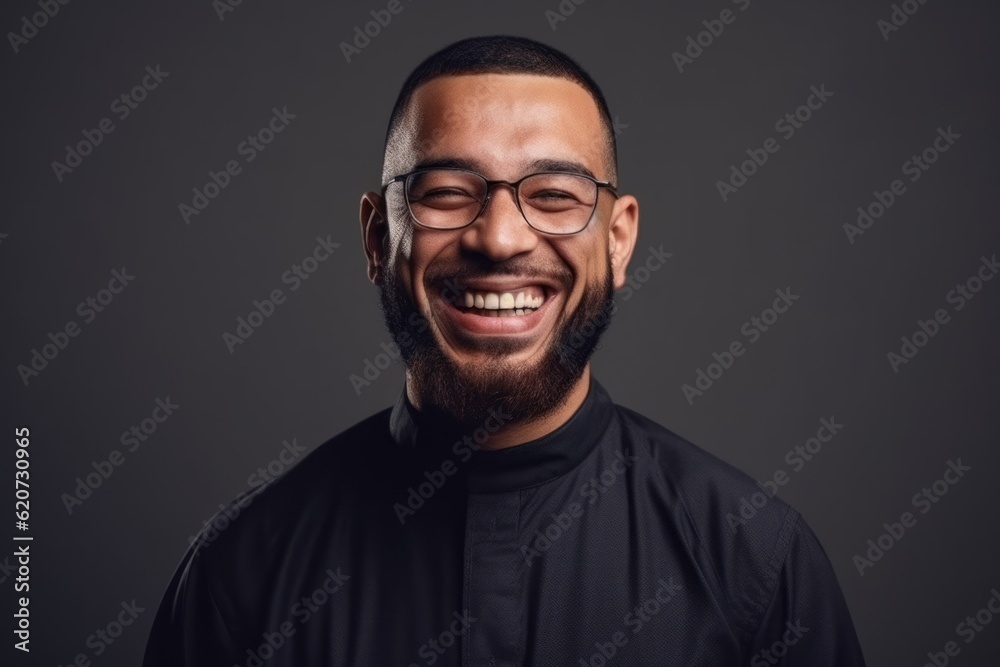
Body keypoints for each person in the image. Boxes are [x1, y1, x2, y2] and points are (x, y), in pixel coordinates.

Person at [143, 35, 867, 666]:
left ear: (618, 240)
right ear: (376, 238)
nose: (500, 238)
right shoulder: (241, 575)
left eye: (554, 194)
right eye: (446, 192)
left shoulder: (757, 565)